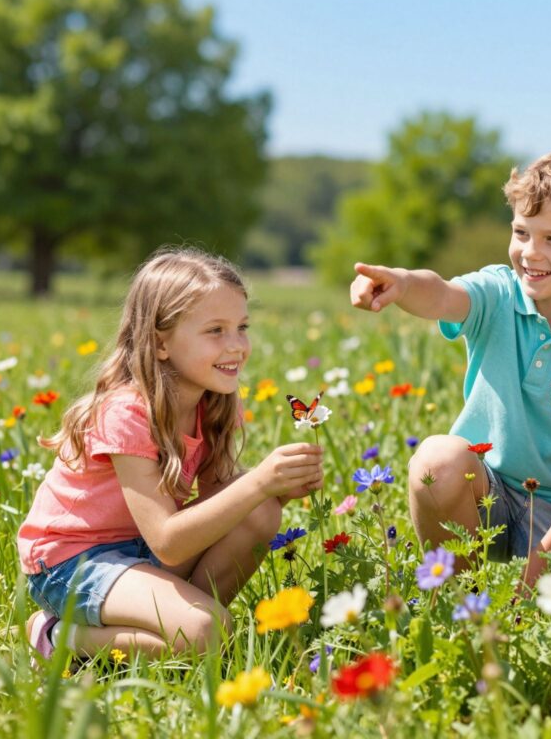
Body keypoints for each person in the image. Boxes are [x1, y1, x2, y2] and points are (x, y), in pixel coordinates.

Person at [350, 147, 551, 589]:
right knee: (436, 461)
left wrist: (540, 566)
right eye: (522, 232)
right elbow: (443, 295)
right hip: (481, 488)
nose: (530, 252)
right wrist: (404, 283)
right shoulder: (497, 293)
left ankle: (523, 589)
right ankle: (460, 595)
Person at [18, 249, 323, 660]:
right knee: (207, 633)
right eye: (215, 330)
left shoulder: (215, 403)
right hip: (72, 562)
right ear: (161, 343)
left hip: (138, 551)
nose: (237, 346)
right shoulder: (126, 411)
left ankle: (176, 629)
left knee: (261, 511)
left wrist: (274, 490)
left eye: (242, 327)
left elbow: (220, 509)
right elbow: (169, 543)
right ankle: (57, 636)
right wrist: (257, 481)